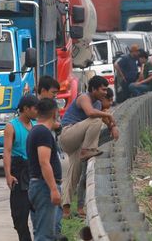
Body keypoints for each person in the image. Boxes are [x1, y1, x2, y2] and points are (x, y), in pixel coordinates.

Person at [58, 76, 118, 219]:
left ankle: (65, 210)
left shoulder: (97, 104)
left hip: (77, 141)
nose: (105, 92)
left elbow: (103, 119)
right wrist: (109, 116)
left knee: (73, 174)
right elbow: (91, 114)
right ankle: (88, 150)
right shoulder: (84, 97)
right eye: (103, 89)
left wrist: (113, 126)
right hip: (68, 135)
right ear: (93, 89)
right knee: (95, 119)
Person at [4, 94, 39, 241]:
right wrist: (8, 175)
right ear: (25, 109)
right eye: (35, 108)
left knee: (39, 212)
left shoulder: (36, 126)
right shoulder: (11, 126)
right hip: (19, 172)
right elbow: (7, 151)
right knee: (19, 216)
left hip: (34, 172)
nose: (37, 111)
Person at [27, 98, 63, 241]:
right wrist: (53, 189)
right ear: (54, 113)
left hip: (40, 186)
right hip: (44, 187)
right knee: (45, 236)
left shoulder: (36, 130)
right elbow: (44, 162)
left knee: (42, 232)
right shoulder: (43, 133)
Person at [76, 87, 115, 218]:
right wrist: (110, 122)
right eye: (109, 100)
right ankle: (80, 206)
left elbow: (110, 126)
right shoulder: (95, 109)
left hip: (89, 142)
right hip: (83, 144)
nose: (111, 104)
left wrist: (113, 126)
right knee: (83, 176)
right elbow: (104, 121)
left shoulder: (99, 107)